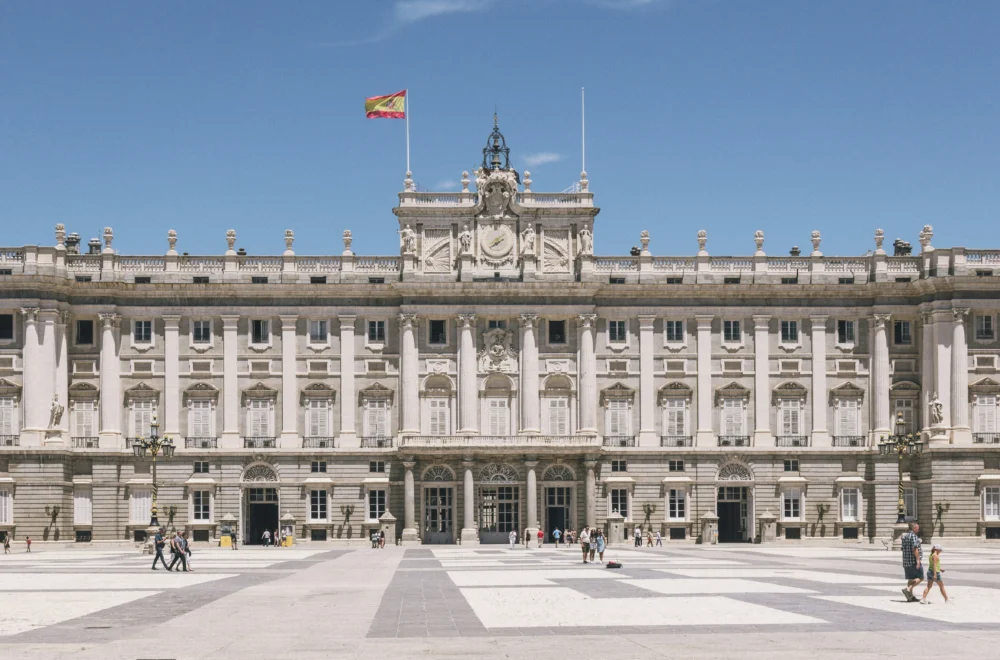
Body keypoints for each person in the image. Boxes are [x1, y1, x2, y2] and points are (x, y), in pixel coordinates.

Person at [900, 522, 924, 602]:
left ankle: (910, 596)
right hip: (913, 561)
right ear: (914, 528)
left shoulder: (905, 536)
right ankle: (908, 589)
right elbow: (914, 548)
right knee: (921, 578)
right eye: (917, 528)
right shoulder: (913, 536)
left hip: (906, 561)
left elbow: (903, 548)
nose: (918, 529)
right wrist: (918, 560)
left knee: (911, 579)